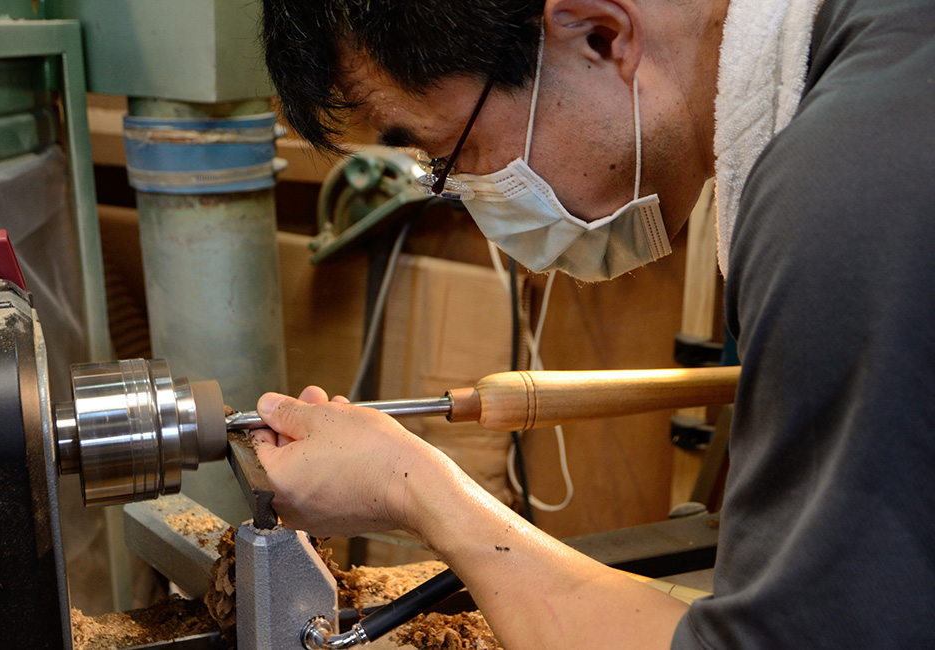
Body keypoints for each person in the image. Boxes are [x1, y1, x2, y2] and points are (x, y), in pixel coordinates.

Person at [253, 0, 935, 648]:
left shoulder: (844, 197)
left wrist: (410, 485)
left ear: (601, 35)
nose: (471, 195)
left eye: (451, 155)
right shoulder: (880, 58)